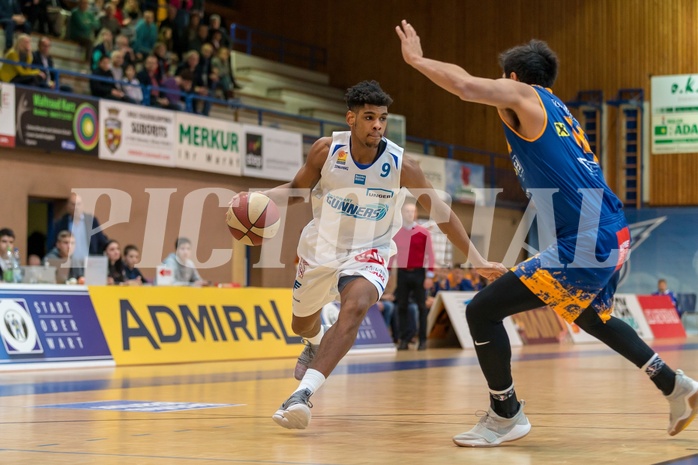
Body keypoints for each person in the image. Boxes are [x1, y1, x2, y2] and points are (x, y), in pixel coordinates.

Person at [396, 19, 698, 446]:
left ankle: (506, 414)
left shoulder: (524, 95)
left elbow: (465, 86)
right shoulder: (559, 111)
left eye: (501, 80)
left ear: (514, 79)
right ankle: (673, 384)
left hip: (588, 237)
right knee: (590, 315)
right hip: (609, 228)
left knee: (481, 311)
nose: (496, 88)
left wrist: (417, 59)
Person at [240, 80, 503, 430]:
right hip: (320, 248)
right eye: (369, 117)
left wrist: (477, 258)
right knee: (301, 323)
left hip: (371, 250)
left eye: (382, 118)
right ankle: (314, 341)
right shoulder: (325, 151)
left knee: (356, 305)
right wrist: (258, 197)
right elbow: (296, 189)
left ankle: (301, 395)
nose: (378, 125)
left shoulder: (401, 165)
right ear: (351, 118)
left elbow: (441, 212)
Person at [392, 200, 435, 350]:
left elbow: (430, 254)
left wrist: (430, 275)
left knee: (422, 307)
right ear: (402, 214)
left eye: (413, 211)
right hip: (403, 273)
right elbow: (392, 254)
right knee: (401, 306)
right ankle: (403, 339)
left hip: (419, 273)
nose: (410, 214)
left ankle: (422, 340)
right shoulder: (397, 233)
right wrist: (388, 270)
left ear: (416, 214)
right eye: (407, 211)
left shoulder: (423, 233)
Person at [51, 193, 109, 266]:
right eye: (73, 204)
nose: (76, 207)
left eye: (78, 204)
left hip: (90, 263)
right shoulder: (61, 222)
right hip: (70, 264)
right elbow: (54, 243)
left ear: (82, 205)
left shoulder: (91, 221)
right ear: (68, 206)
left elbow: (101, 241)